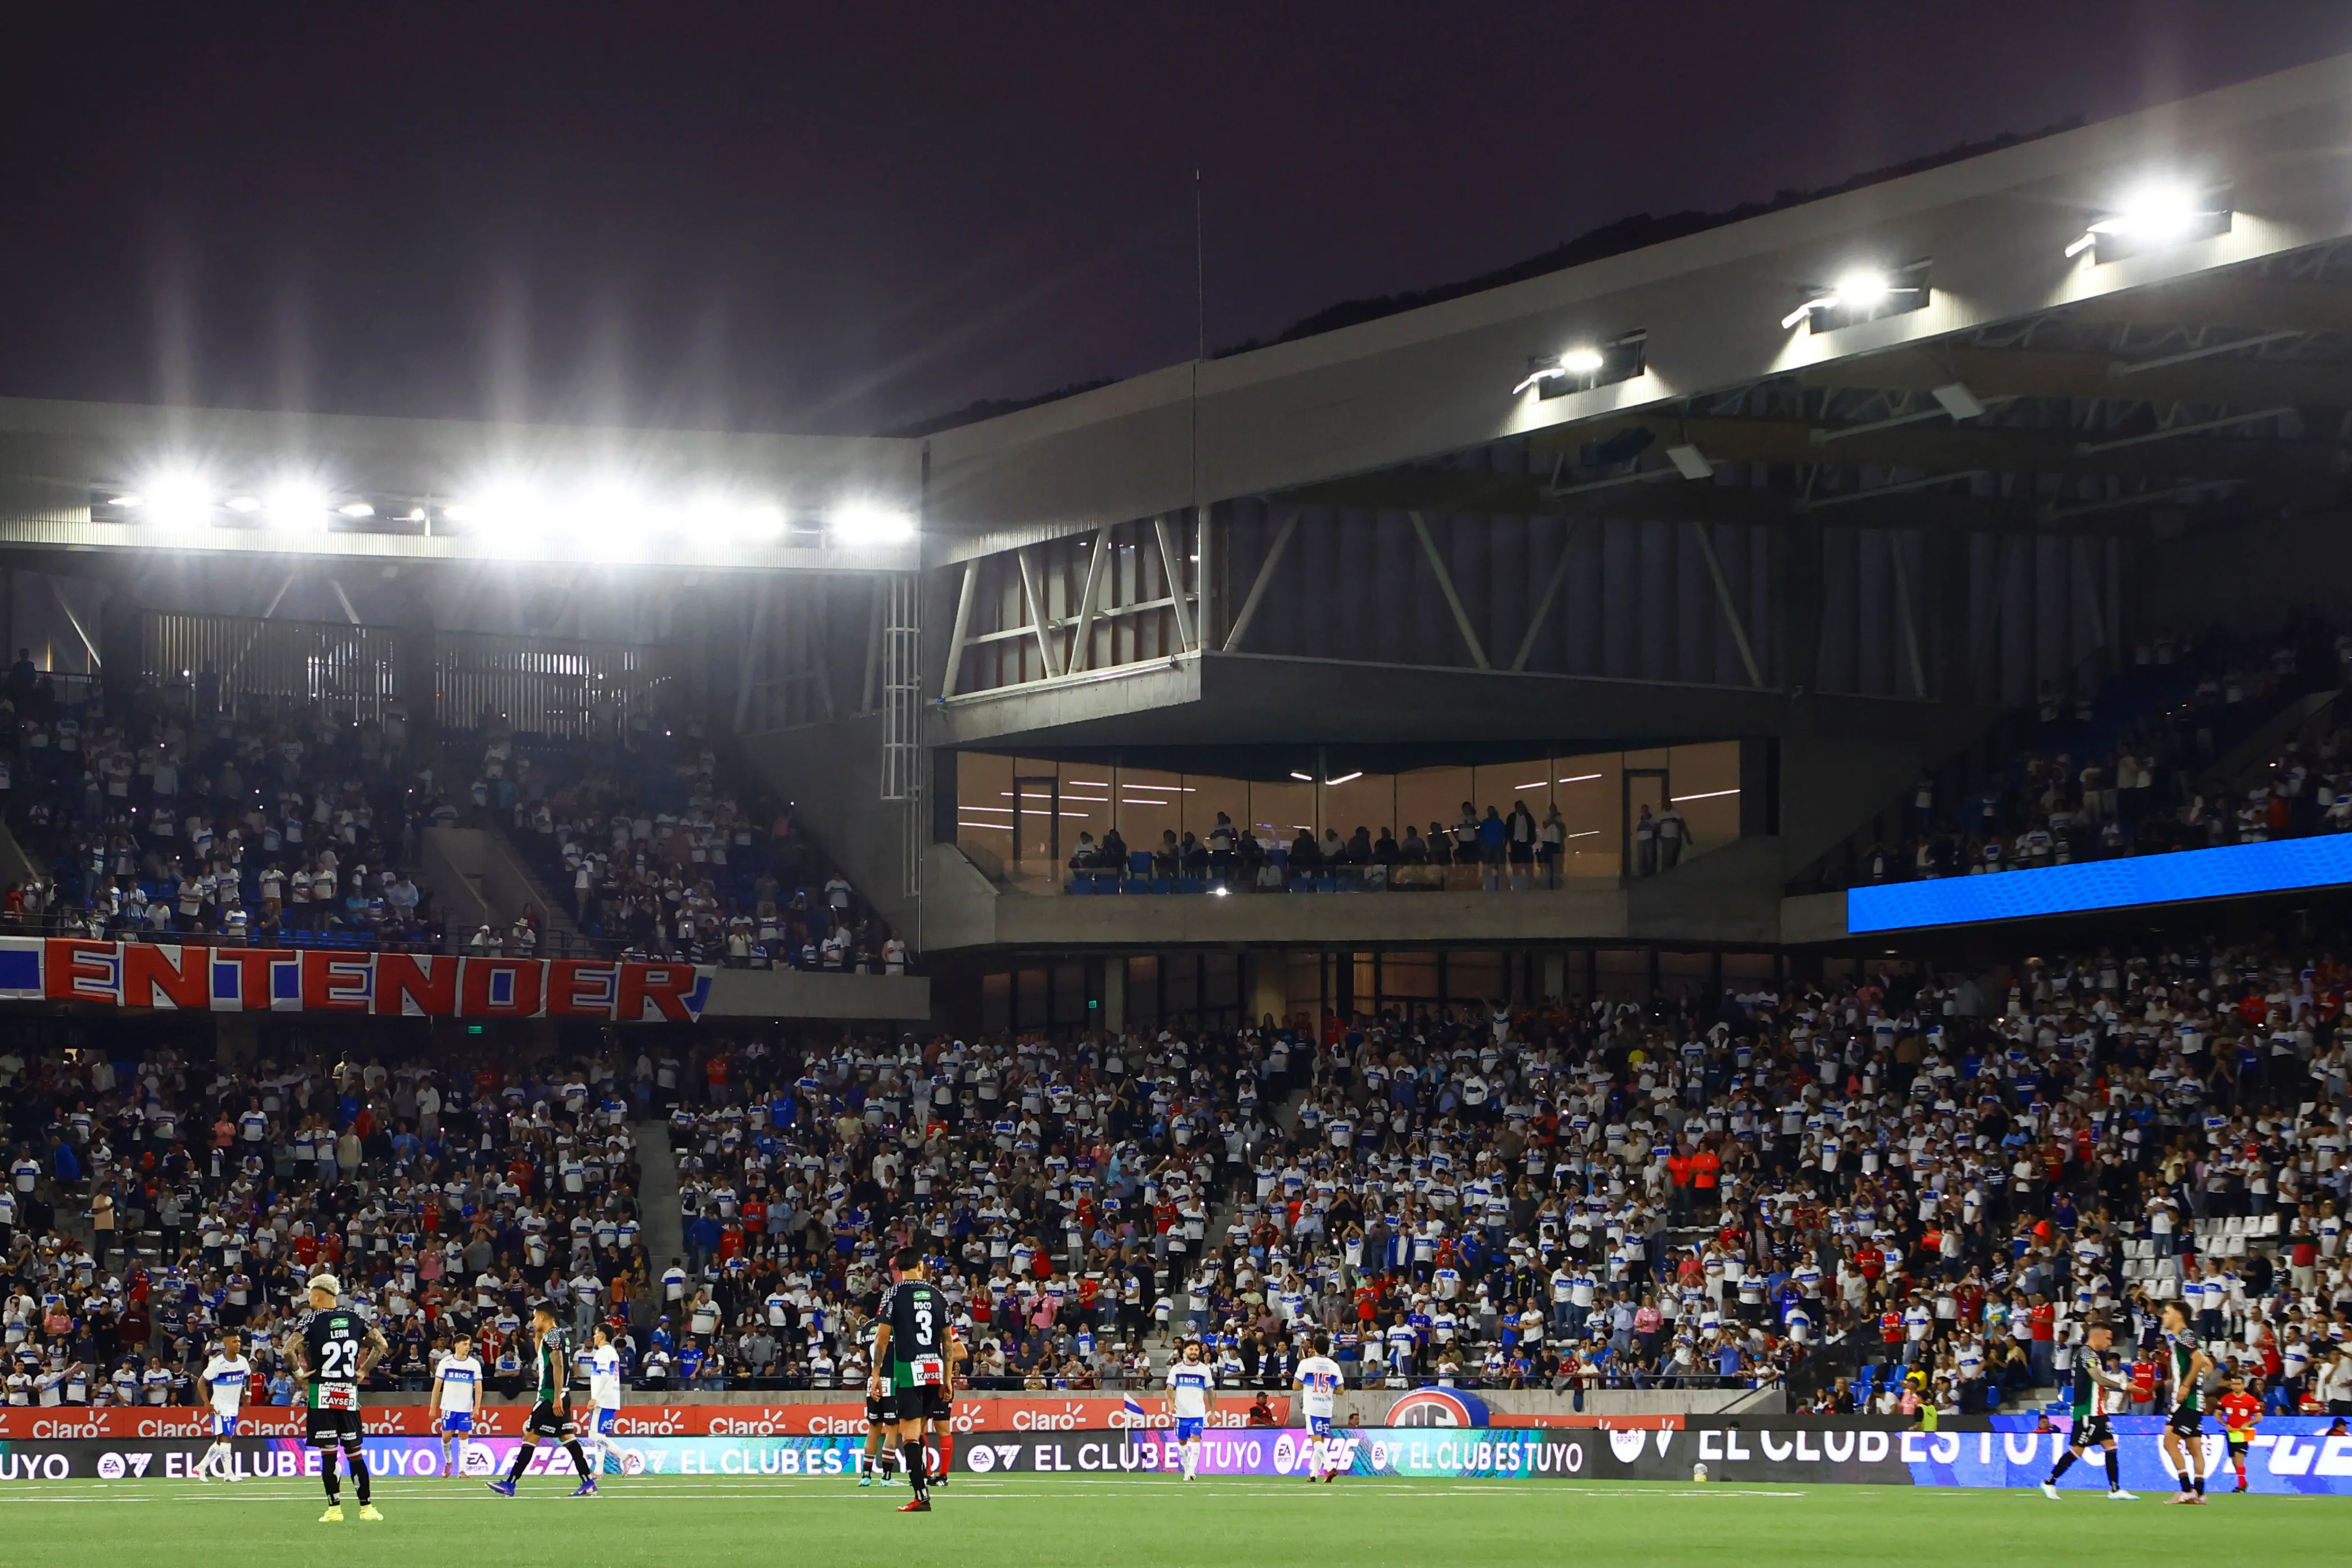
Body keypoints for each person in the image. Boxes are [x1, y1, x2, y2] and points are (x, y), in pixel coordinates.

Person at [283, 1273, 387, 1522]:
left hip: (322, 1394)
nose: (309, 1300)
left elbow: (288, 1350)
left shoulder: (310, 1320)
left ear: (318, 1295)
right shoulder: (355, 1317)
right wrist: (363, 1371)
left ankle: (334, 1510)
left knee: (329, 1454)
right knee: (355, 1452)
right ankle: (367, 1508)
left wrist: (299, 1375)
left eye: (310, 1295)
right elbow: (381, 1345)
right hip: (348, 1393)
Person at [872, 1247, 959, 1513]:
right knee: (921, 1430)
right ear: (920, 1266)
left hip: (909, 1371)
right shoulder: (938, 1295)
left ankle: (921, 1496)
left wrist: (876, 1375)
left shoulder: (894, 1293)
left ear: (898, 1267)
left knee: (910, 1435)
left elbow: (882, 1338)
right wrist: (948, 1378)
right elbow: (948, 1342)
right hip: (934, 1371)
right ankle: (925, 1486)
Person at [488, 1303, 598, 1498]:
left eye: (535, 1318)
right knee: (567, 1438)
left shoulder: (553, 1335)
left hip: (550, 1395)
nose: (532, 1321)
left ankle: (510, 1484)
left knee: (530, 1435)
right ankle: (588, 1482)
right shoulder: (557, 1335)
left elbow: (558, 1365)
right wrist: (537, 1334)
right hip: (561, 1394)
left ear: (543, 1317)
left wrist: (556, 1397)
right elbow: (540, 1351)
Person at [2038, 1317, 2135, 1500]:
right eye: (2108, 1338)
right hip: (2087, 1412)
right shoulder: (2085, 1353)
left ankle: (2115, 1489)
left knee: (2110, 1446)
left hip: (2099, 1412)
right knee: (2078, 1449)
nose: (2110, 1342)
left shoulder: (2096, 1356)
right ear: (2096, 1336)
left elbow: (2098, 1384)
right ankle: (2049, 1482)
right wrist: (2124, 1386)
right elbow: (2099, 1379)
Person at [2159, 1300, 2212, 1505]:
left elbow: (2199, 1361)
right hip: (2194, 1400)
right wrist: (2197, 1382)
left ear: (2179, 1315)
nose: (2164, 1316)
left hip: (2187, 1401)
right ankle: (2199, 1493)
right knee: (2194, 1447)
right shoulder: (2187, 1337)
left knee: (2170, 1442)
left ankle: (2187, 1490)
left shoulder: (2184, 1337)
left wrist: (2186, 1386)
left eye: (2167, 1312)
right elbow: (2206, 1363)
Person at [197, 1330, 253, 1483]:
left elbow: (248, 1377)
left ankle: (201, 1467)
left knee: (220, 1441)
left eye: (239, 1342)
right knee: (226, 1438)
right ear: (226, 1344)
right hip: (219, 1406)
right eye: (235, 1342)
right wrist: (206, 1402)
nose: (238, 1344)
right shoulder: (217, 1364)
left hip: (233, 1405)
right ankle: (228, 1473)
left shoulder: (242, 1361)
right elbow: (201, 1382)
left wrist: (247, 1395)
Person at [1293, 1332, 1345, 1483]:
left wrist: (1308, 1386)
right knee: (1320, 1441)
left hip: (1312, 1407)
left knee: (1316, 1441)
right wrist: (1328, 1388)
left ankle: (1330, 1468)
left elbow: (1296, 1386)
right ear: (1328, 1349)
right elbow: (1341, 1390)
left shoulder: (1306, 1363)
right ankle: (1314, 1474)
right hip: (1326, 1407)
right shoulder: (1334, 1366)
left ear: (1314, 1348)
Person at [432, 1333, 484, 1480]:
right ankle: (449, 1462)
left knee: (464, 1436)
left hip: (466, 1408)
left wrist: (477, 1407)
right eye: (465, 1344)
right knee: (446, 1437)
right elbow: (437, 1386)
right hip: (448, 1407)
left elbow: (479, 1387)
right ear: (456, 1345)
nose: (468, 1347)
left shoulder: (474, 1364)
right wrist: (432, 1407)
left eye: (469, 1344)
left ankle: (462, 1470)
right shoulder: (446, 1362)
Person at [857, 1320, 899, 1488]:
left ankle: (866, 1475)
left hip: (872, 1382)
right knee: (892, 1429)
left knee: (873, 1428)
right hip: (891, 1381)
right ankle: (886, 1476)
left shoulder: (867, 1326)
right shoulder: (895, 1325)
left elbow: (863, 1357)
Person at [583, 1324, 626, 1479]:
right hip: (612, 1398)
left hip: (602, 1399)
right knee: (601, 1436)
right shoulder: (612, 1352)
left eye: (596, 1333)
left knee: (593, 1435)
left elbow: (604, 1375)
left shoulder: (602, 1353)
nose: (594, 1337)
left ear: (602, 1335)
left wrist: (595, 1397)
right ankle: (599, 1470)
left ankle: (624, 1456)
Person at [1167, 1338, 1214, 1481]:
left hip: (1198, 1412)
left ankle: (1192, 1471)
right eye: (1191, 1349)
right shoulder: (1177, 1369)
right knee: (1182, 1442)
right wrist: (1170, 1401)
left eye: (1196, 1350)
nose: (1194, 1352)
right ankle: (1187, 1469)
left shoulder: (1204, 1370)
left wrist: (1213, 1411)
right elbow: (1169, 1388)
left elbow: (1211, 1392)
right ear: (1185, 1351)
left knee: (1195, 1439)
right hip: (1181, 1413)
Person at [2216, 1373, 2262, 1494]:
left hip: (2243, 1432)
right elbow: (2217, 1414)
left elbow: (2259, 1417)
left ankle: (2241, 1486)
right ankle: (2243, 1482)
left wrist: (2248, 1424)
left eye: (2238, 1384)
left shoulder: (2250, 1400)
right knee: (2233, 1460)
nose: (2235, 1386)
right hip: (2231, 1432)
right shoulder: (2226, 1398)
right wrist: (2226, 1424)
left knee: (2239, 1459)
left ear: (2243, 1385)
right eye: (2233, 1384)